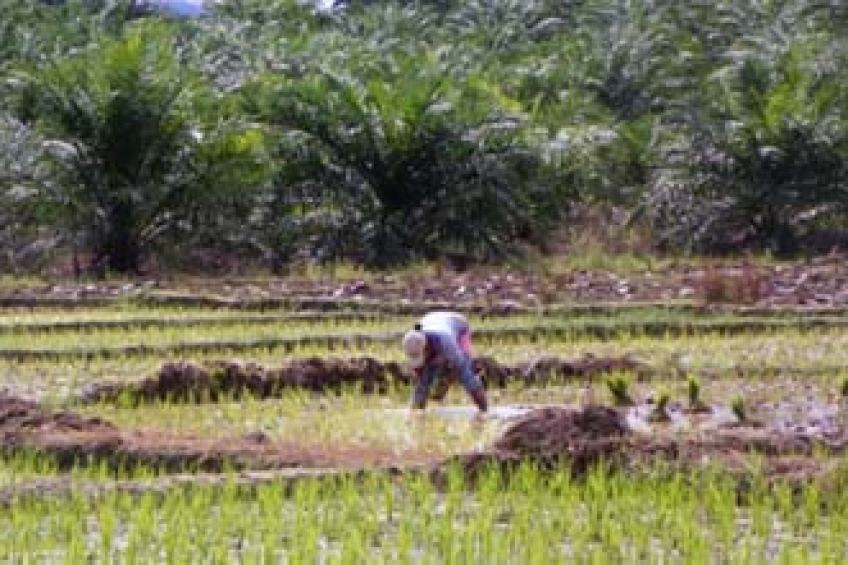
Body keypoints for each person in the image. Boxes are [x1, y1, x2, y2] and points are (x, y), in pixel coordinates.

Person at [402, 311, 488, 413]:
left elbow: (457, 368)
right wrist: (421, 384)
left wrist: (443, 386)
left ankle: (484, 412)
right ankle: (416, 413)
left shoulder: (447, 342)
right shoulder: (412, 340)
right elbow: (419, 372)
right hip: (430, 319)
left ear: (427, 347)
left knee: (467, 376)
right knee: (423, 381)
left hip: (458, 325)